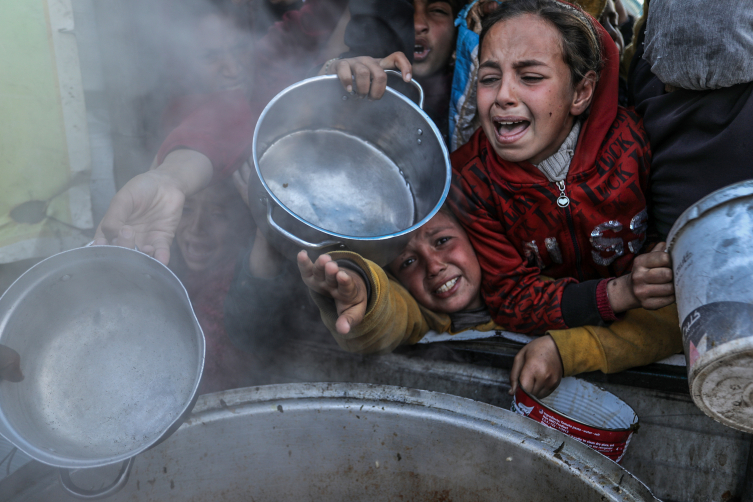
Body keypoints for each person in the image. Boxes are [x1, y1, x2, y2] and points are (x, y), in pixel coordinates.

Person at [297, 207, 682, 398]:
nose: (434, 266)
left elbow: (670, 327)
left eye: (443, 240)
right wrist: (360, 285)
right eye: (408, 262)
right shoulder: (424, 316)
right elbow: (384, 319)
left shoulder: (541, 291)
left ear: (477, 237)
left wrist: (565, 350)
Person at [93, 0, 349, 264]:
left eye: (240, 49)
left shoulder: (270, 54)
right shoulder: (183, 109)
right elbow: (206, 134)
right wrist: (169, 179)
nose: (233, 68)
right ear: (184, 66)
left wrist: (337, 63)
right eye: (211, 57)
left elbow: (326, 14)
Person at [169, 180, 259, 394]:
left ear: (241, 223)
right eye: (187, 209)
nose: (196, 227)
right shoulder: (178, 271)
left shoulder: (233, 287)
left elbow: (191, 378)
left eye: (218, 214)